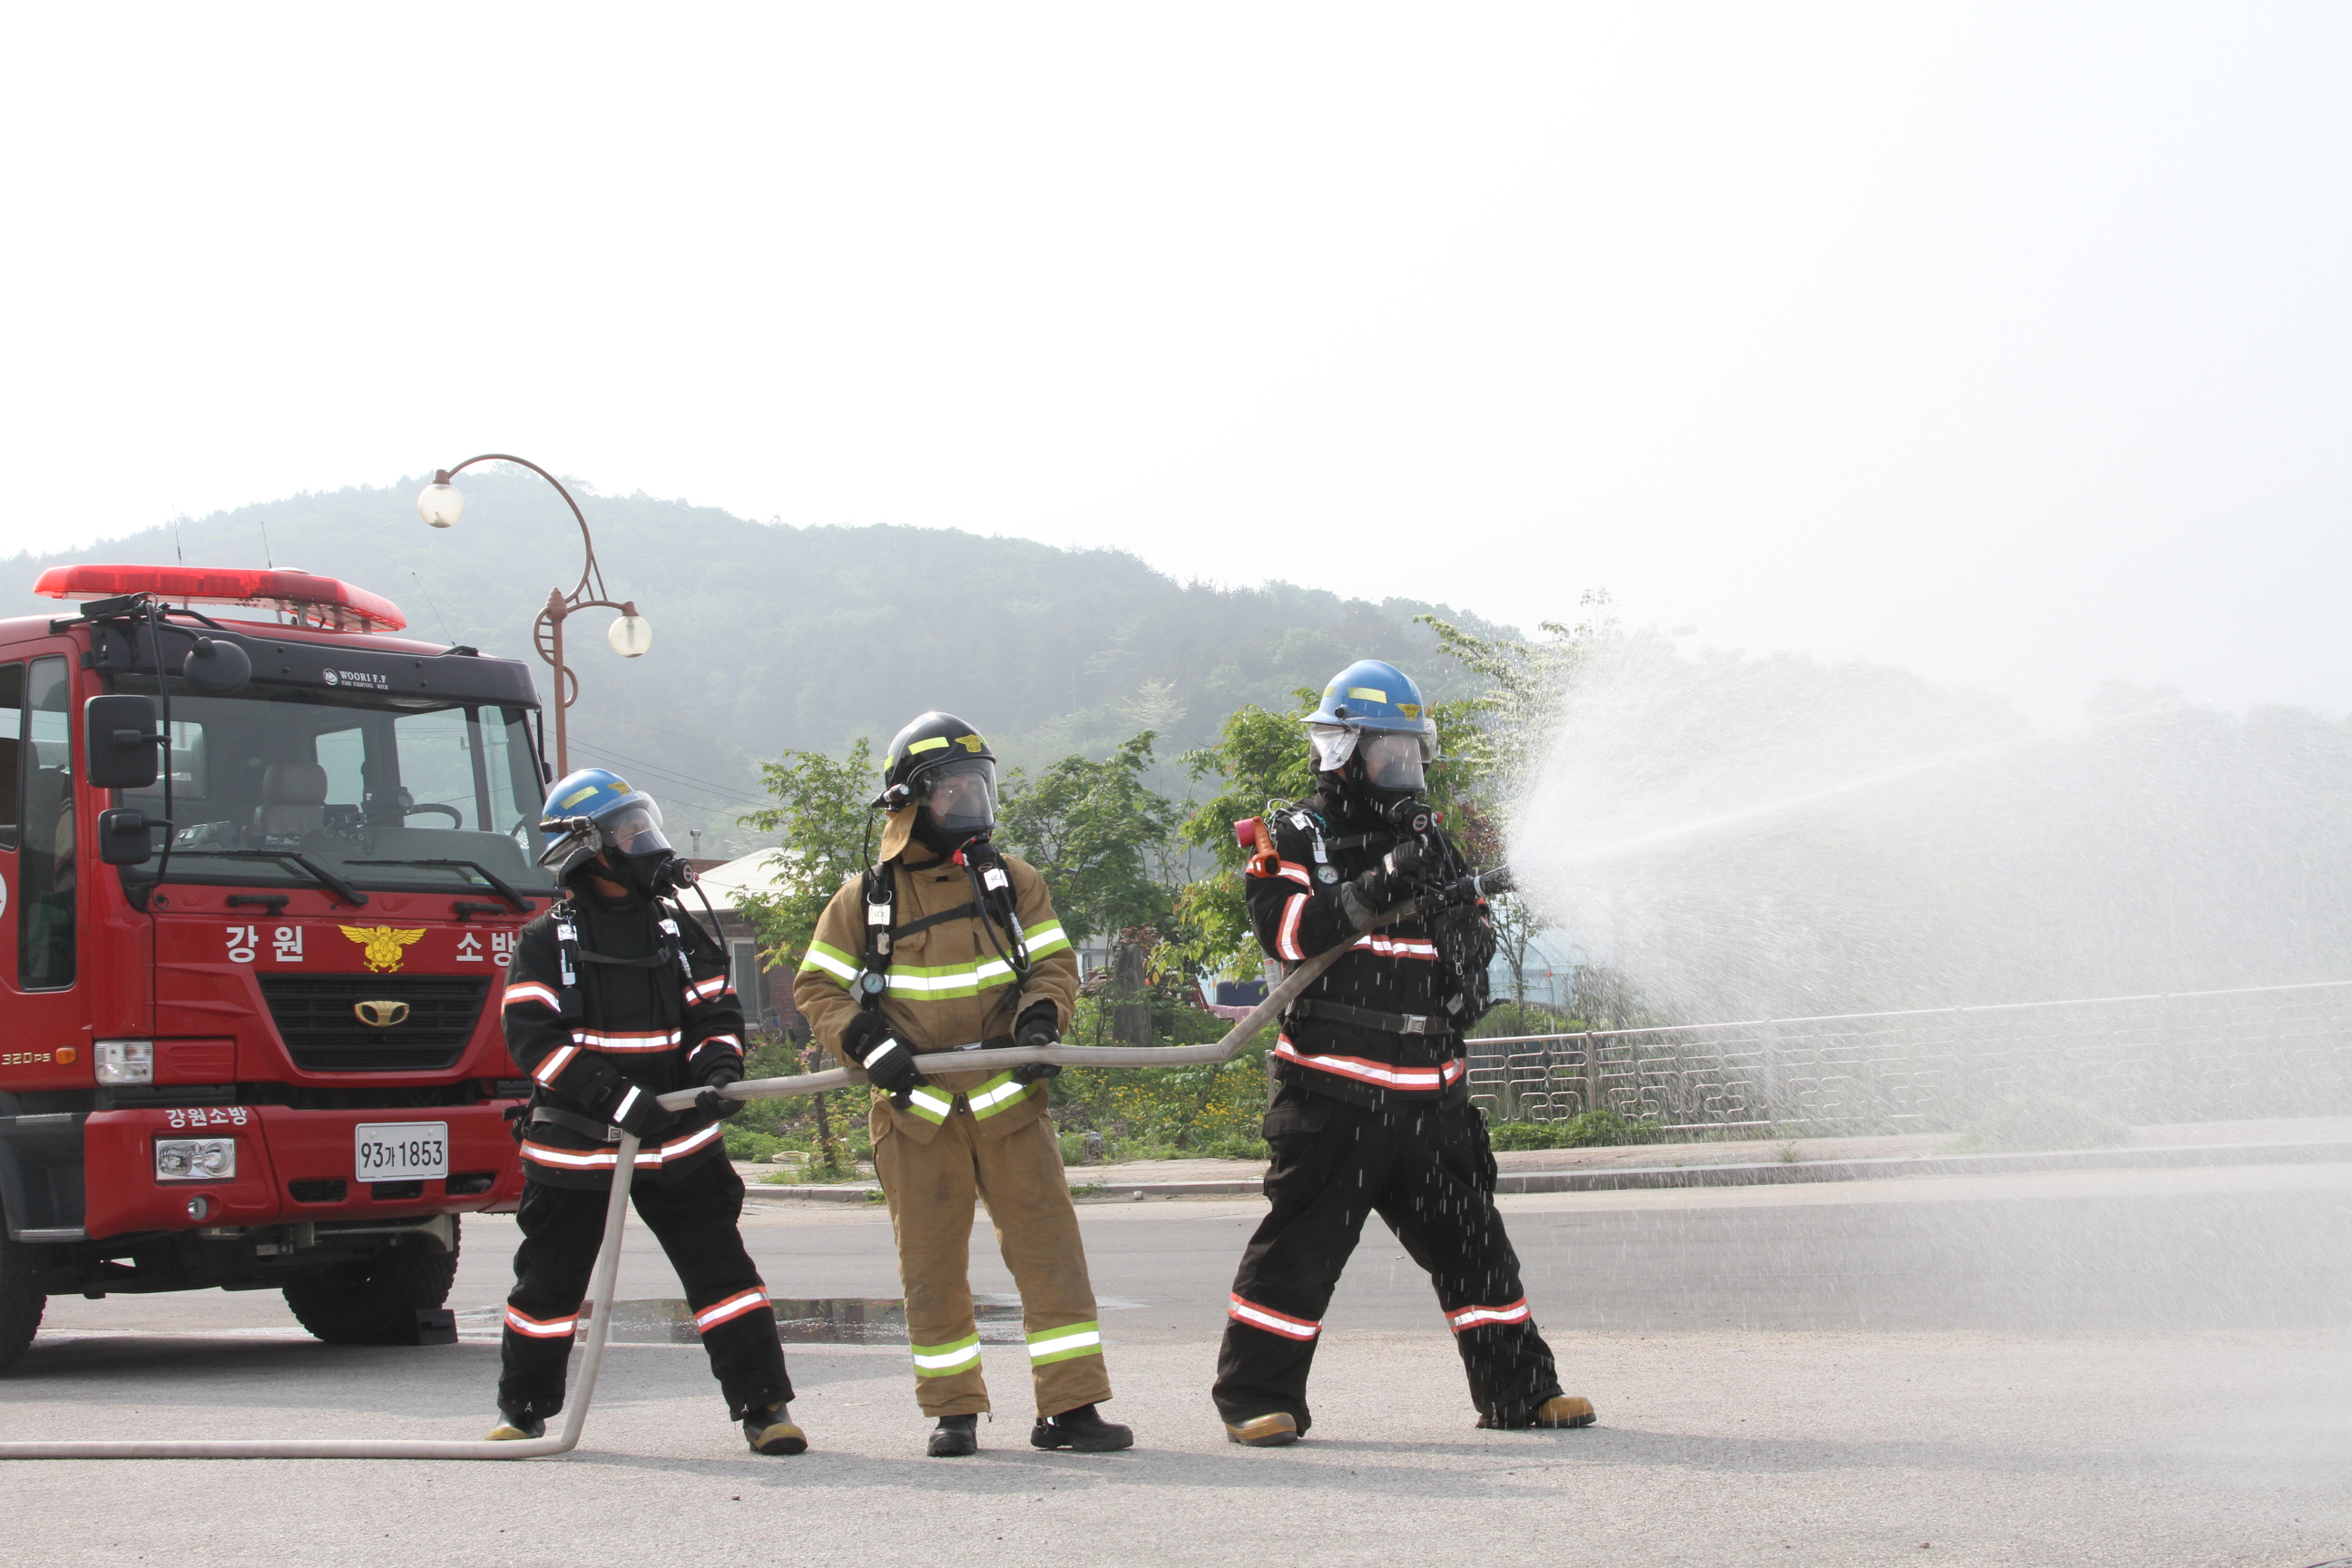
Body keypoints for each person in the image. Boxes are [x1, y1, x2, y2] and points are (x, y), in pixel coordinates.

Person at [1212, 660, 1596, 1445]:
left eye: (1410, 753)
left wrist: (1460, 922)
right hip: (1334, 1095)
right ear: (1344, 750)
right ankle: (1255, 1400)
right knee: (1298, 1254)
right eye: (1386, 753)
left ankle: (1521, 1393)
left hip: (1431, 1099)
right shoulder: (1293, 835)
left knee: (1478, 1252)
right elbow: (1287, 932)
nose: (1401, 768)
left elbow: (1472, 961)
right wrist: (1381, 883)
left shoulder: (1434, 845)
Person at [793, 712, 1130, 1458]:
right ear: (909, 800)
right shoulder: (864, 898)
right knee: (931, 1268)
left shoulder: (1013, 881)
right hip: (917, 1112)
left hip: (1010, 1105)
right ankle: (954, 1413)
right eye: (953, 788)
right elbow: (818, 988)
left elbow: (1054, 964)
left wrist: (1042, 1018)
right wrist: (865, 1041)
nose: (971, 800)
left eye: (979, 785)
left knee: (1051, 1255)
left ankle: (1071, 1408)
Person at [485, 769, 802, 1455]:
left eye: (643, 825)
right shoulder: (545, 941)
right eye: (630, 831)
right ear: (588, 850)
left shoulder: (677, 930)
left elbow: (716, 1014)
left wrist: (719, 1070)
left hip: (678, 1147)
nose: (648, 842)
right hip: (577, 1150)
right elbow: (535, 1042)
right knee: (548, 1287)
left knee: (725, 1281)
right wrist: (616, 1097)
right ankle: (523, 1411)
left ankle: (765, 1409)